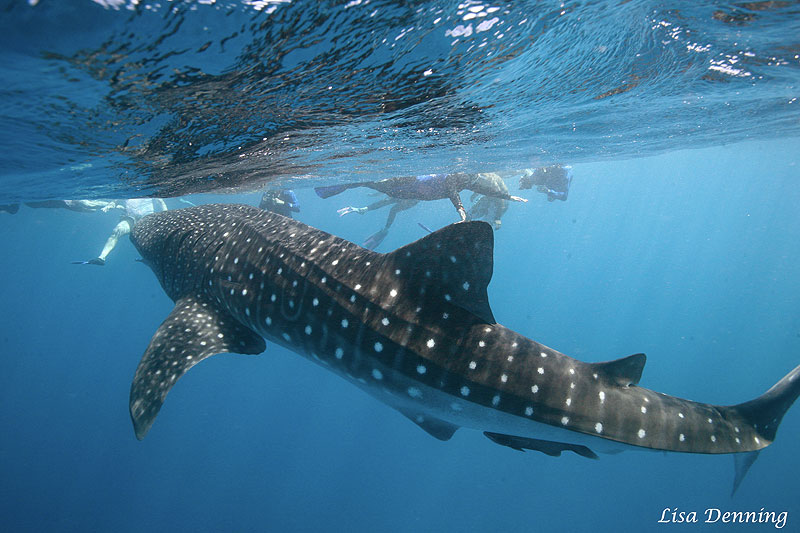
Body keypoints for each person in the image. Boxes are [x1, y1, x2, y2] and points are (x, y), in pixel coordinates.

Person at [315, 172, 527, 223]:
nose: (476, 181)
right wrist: (461, 210)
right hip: (412, 184)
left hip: (417, 192)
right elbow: (452, 190)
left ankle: (341, 184)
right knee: (375, 184)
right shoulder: (458, 176)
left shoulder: (470, 181)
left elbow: (486, 190)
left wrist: (508, 197)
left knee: (380, 188)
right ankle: (334, 185)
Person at [73, 198, 168, 266]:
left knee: (149, 239)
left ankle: (151, 258)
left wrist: (166, 214)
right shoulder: (126, 188)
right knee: (116, 231)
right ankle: (101, 257)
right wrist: (109, 206)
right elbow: (115, 201)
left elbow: (160, 201)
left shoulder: (148, 188)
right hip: (130, 217)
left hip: (147, 217)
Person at [337, 197, 419, 250]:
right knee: (391, 204)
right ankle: (363, 210)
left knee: (391, 205)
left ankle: (363, 210)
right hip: (413, 195)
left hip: (414, 196)